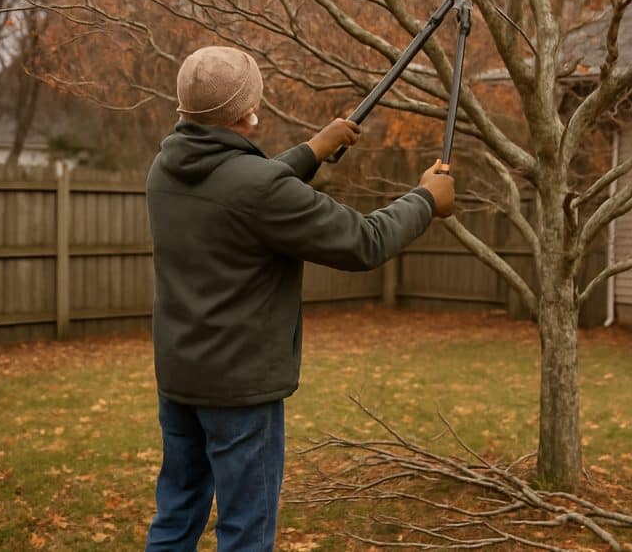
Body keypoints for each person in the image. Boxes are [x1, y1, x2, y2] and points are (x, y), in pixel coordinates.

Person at [144, 45, 455, 551]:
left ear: (186, 111)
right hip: (242, 395)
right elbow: (363, 241)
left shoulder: (165, 170)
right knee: (245, 531)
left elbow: (245, 187)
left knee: (176, 518)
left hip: (180, 380)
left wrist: (312, 149)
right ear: (249, 111)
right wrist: (424, 200)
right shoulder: (257, 189)